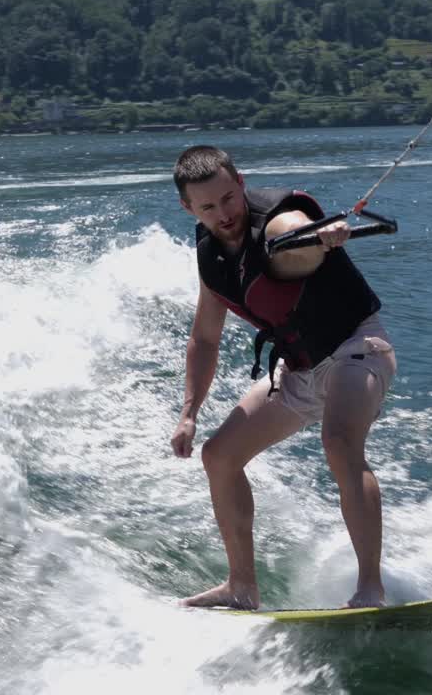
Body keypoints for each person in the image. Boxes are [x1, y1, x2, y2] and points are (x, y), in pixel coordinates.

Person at [170, 145, 397, 610]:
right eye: (208, 206)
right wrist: (188, 414)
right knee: (218, 455)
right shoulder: (211, 255)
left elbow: (292, 244)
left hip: (356, 350)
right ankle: (240, 586)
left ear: (241, 183)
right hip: (296, 370)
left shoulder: (277, 221)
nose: (224, 213)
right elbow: (205, 339)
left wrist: (321, 237)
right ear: (188, 208)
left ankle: (370, 589)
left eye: (229, 198)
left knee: (339, 442)